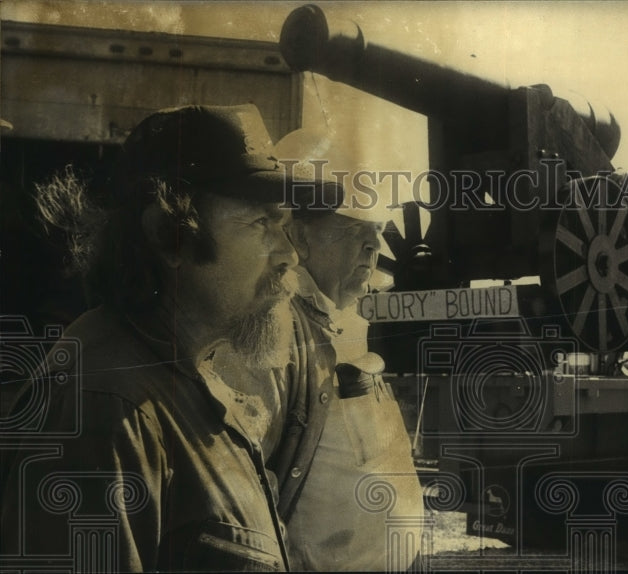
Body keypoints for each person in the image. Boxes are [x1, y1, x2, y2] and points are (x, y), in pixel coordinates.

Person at [0, 104, 315, 571]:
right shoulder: (107, 407)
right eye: (260, 223)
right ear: (171, 236)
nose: (289, 255)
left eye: (284, 226)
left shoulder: (183, 377)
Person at [212, 152, 424, 571]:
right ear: (299, 237)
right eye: (352, 230)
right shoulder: (274, 332)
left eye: (377, 230)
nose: (373, 246)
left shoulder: (343, 320)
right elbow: (239, 502)